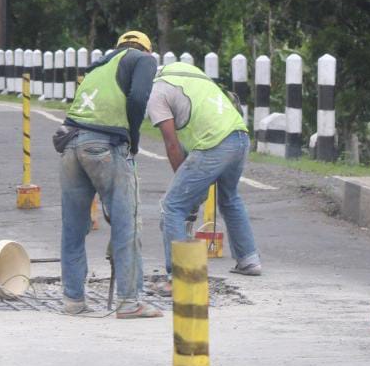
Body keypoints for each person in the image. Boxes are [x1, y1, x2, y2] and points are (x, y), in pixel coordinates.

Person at [56, 31, 160, 319]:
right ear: (146, 49)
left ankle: (73, 300)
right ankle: (129, 302)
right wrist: (134, 138)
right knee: (126, 223)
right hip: (105, 146)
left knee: (73, 227)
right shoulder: (142, 59)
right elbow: (138, 98)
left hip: (70, 144)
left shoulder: (99, 65)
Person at [149, 60, 261, 290]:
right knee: (230, 198)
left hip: (214, 143)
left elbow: (172, 145)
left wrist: (186, 191)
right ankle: (249, 260)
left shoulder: (156, 93)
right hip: (239, 135)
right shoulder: (188, 70)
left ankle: (179, 278)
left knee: (173, 206)